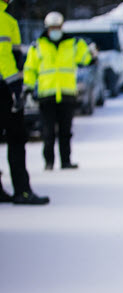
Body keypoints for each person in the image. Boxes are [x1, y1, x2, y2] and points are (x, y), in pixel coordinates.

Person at [23, 11, 91, 171]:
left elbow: (85, 59)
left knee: (65, 131)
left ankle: (66, 161)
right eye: (52, 27)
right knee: (47, 132)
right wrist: (28, 88)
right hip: (46, 95)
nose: (55, 30)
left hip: (67, 95)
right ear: (47, 28)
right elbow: (30, 69)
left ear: (62, 26)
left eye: (57, 27)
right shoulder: (38, 46)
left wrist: (92, 55)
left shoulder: (72, 44)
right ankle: (49, 162)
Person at [0, 0, 49, 205]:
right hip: (4, 87)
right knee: (17, 138)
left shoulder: (9, 19)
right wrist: (15, 86)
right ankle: (22, 191)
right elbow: (6, 58)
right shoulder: (6, 20)